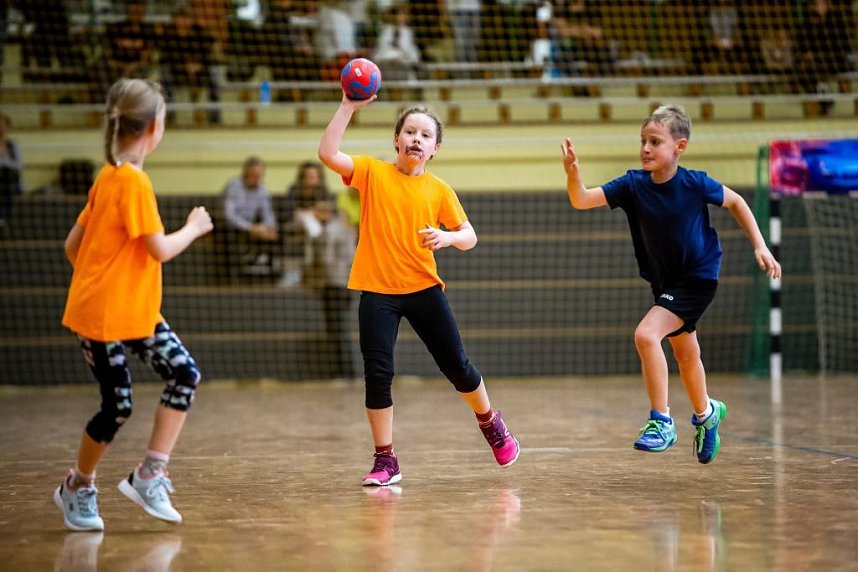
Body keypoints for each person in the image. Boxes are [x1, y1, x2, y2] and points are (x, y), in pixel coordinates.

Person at [560, 104, 781, 464]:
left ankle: (661, 421)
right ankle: (708, 415)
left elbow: (737, 202)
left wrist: (760, 245)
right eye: (643, 141)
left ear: (679, 147)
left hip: (698, 276)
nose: (646, 148)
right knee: (685, 354)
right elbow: (580, 199)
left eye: (655, 142)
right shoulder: (633, 184)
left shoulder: (694, 183)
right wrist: (573, 173)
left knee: (647, 335)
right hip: (665, 280)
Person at [318, 94, 520, 486]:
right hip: (376, 291)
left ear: (435, 149)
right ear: (396, 140)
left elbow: (470, 236)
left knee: (457, 367)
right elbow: (328, 153)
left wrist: (447, 237)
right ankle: (385, 459)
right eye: (409, 131)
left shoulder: (439, 189)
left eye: (425, 134)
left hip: (424, 289)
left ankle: (490, 421)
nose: (416, 138)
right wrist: (348, 107)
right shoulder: (372, 173)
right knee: (378, 375)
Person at [55, 78, 213, 531]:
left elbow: (72, 246)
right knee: (117, 406)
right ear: (155, 127)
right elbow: (160, 249)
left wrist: (107, 274)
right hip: (103, 316)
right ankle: (77, 486)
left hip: (133, 309)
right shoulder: (133, 183)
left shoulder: (107, 176)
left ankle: (150, 473)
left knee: (184, 373)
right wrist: (194, 227)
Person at [301, 199, 357, 379]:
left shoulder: (329, 231)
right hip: (346, 284)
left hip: (333, 284)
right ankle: (346, 370)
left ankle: (342, 372)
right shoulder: (347, 229)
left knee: (336, 331)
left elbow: (326, 259)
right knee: (341, 330)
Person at [158, 8, 222, 125]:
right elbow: (165, 58)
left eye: (186, 18)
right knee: (165, 78)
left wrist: (199, 65)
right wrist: (183, 66)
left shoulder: (200, 33)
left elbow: (209, 53)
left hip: (200, 71)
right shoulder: (168, 35)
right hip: (176, 71)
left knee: (214, 79)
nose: (183, 22)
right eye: (180, 19)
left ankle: (215, 115)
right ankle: (169, 115)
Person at [220, 156, 279, 278]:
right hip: (234, 227)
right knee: (230, 233)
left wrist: (269, 228)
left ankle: (270, 274)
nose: (257, 179)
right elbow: (229, 216)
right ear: (246, 173)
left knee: (276, 234)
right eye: (254, 175)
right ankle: (233, 277)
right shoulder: (233, 186)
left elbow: (268, 213)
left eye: (260, 175)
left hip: (254, 226)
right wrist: (251, 228)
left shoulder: (263, 189)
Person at [0, 112, 24, 230]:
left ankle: (4, 219)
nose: (1, 129)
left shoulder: (13, 146)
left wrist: (5, 163)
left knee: (7, 176)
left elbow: (18, 166)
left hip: (11, 180)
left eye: (3, 125)